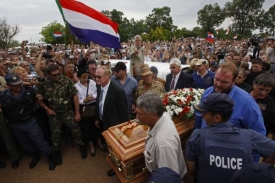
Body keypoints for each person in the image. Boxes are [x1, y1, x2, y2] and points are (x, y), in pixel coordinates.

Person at [186, 93, 275, 183]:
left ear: (217, 117)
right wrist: (263, 170)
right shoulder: (250, 136)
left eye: (205, 113)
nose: (202, 116)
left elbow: (191, 170)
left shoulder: (197, 136)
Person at [194, 62, 266, 161]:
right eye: (216, 79)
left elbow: (259, 136)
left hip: (231, 160)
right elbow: (199, 118)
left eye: (224, 82)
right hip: (206, 155)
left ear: (234, 80)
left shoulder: (247, 103)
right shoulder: (208, 92)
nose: (218, 84)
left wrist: (250, 166)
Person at [0, 73, 56, 171]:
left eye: (19, 84)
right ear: (8, 85)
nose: (18, 86)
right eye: (15, 85)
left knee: (39, 141)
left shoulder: (30, 91)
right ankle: (35, 156)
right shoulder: (3, 95)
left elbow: (39, 99)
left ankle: (50, 157)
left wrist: (46, 107)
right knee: (26, 143)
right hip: (15, 124)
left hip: (30, 121)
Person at [36, 64, 87, 165]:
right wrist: (47, 109)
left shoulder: (66, 80)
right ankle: (57, 153)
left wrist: (77, 113)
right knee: (55, 136)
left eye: (58, 74)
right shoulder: (44, 83)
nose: (57, 76)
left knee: (76, 130)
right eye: (54, 75)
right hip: (54, 114)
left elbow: (75, 96)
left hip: (67, 111)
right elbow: (38, 98)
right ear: (48, 75)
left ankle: (82, 146)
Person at [136, 93, 186, 178]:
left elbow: (169, 179)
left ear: (154, 115)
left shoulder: (163, 145)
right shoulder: (163, 117)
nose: (137, 117)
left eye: (140, 114)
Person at [94, 66, 129, 177]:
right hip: (104, 122)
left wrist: (122, 130)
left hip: (115, 127)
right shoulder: (100, 86)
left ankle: (117, 168)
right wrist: (97, 117)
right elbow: (98, 103)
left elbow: (124, 113)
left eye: (98, 77)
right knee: (109, 146)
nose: (96, 79)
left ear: (107, 76)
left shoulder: (118, 91)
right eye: (95, 76)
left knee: (116, 149)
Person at [75, 69, 101, 157]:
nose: (86, 78)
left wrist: (93, 97)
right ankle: (91, 145)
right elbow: (77, 101)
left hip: (94, 106)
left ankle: (99, 142)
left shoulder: (92, 82)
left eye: (86, 76)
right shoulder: (75, 86)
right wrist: (84, 100)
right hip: (84, 108)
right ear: (78, 78)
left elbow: (98, 92)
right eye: (83, 77)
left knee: (97, 125)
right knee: (87, 128)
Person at [250, 73, 275, 140]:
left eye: (267, 90)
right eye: (261, 89)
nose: (263, 93)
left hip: (257, 139)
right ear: (254, 85)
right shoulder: (243, 95)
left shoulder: (271, 105)